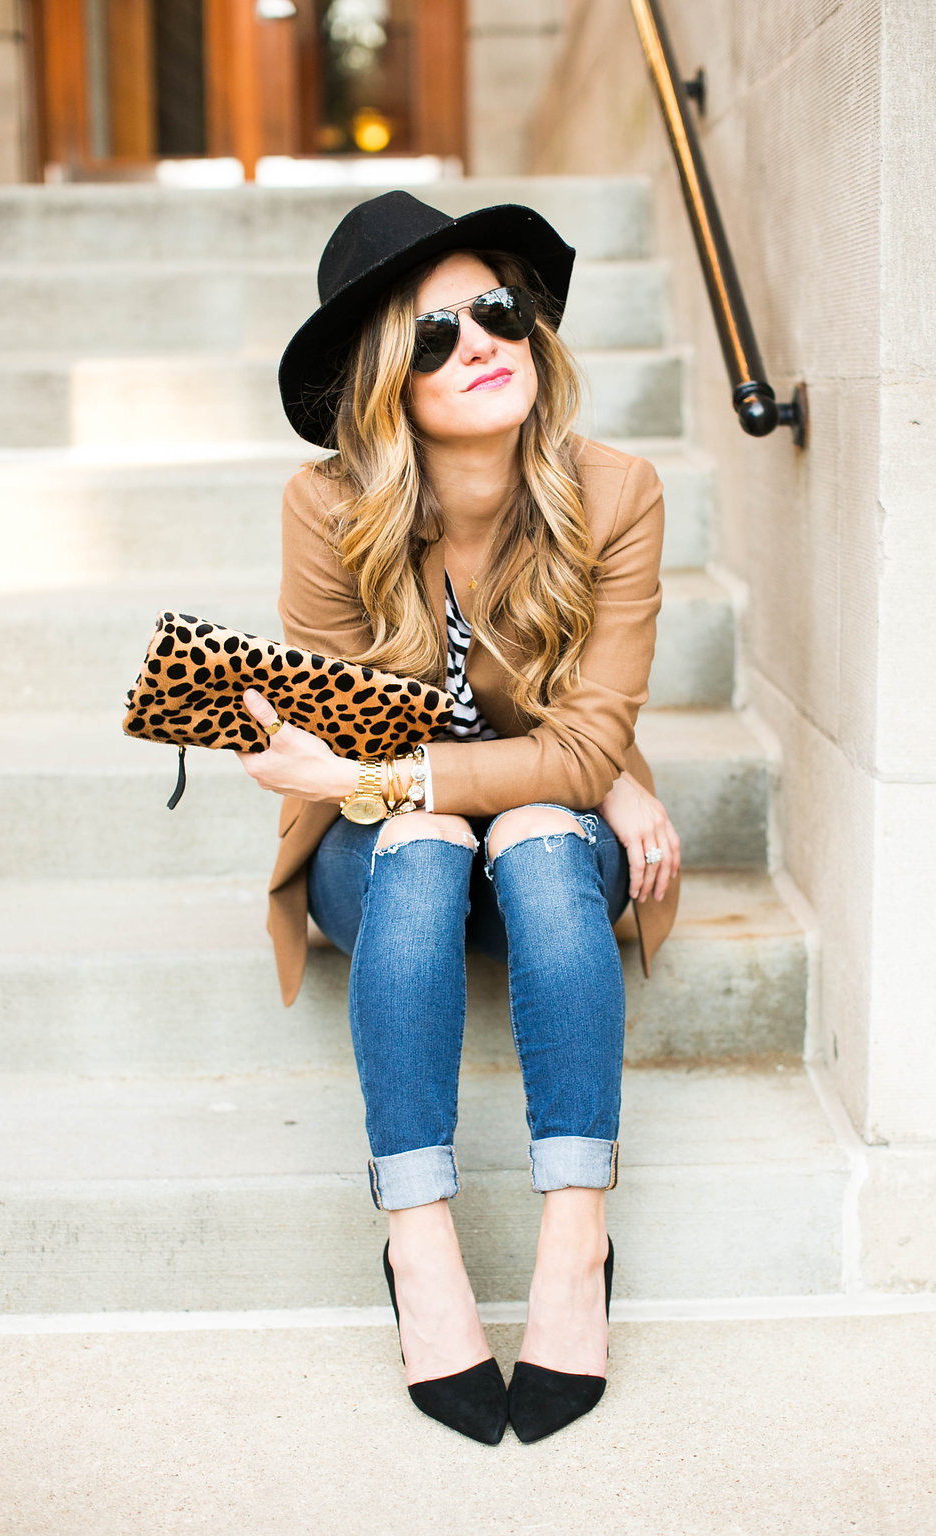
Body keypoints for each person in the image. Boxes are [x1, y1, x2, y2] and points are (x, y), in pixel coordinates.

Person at [236, 191, 681, 1445]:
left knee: (538, 844)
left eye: (494, 310)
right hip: (386, 861)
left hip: (544, 839)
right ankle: (419, 1246)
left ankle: (573, 1242)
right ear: (388, 382)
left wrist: (605, 770)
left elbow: (582, 738)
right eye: (431, 336)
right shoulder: (326, 509)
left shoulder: (617, 491)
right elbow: (346, 738)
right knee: (426, 846)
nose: (478, 343)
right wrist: (368, 780)